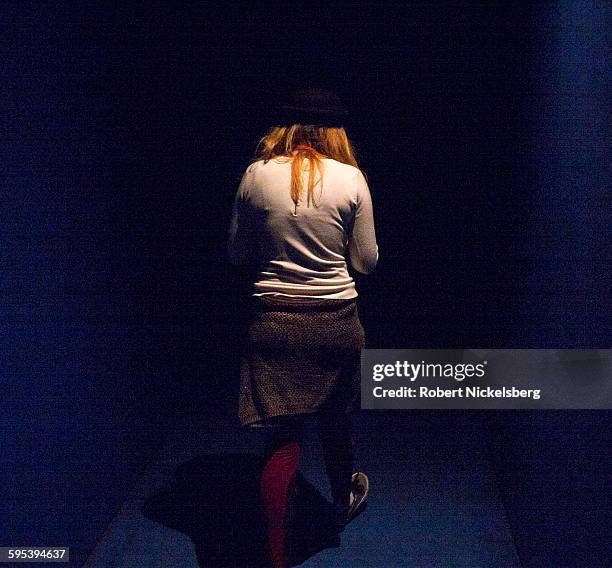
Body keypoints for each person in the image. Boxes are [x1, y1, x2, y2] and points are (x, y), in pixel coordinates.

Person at [227, 86, 379, 568]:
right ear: (335, 131)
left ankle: (275, 556)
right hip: (336, 323)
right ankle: (340, 503)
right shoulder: (351, 178)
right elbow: (367, 262)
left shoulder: (255, 176)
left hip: (274, 325)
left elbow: (236, 254)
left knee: (283, 438)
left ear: (285, 128)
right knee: (337, 417)